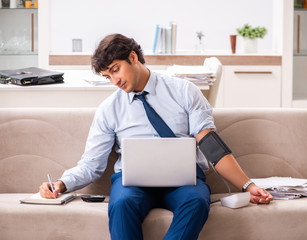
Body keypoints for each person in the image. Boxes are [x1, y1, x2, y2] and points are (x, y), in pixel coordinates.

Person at [39, 33, 273, 239]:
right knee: (121, 203)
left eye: (115, 70)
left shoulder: (184, 91)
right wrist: (61, 183)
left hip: (184, 180)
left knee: (197, 202)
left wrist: (247, 185)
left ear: (133, 57)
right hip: (132, 183)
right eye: (107, 76)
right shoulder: (109, 109)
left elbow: (210, 145)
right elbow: (92, 164)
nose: (115, 81)